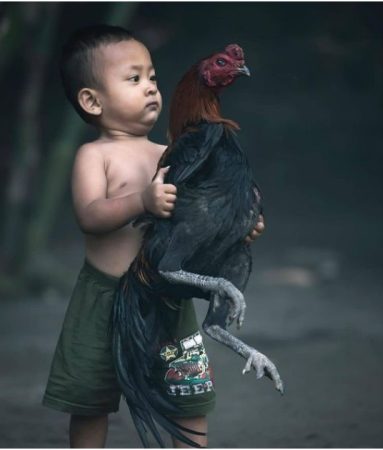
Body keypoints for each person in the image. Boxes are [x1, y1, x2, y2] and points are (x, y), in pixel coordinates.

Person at [42, 25, 265, 447]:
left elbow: (199, 219)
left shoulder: (171, 151)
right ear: (91, 100)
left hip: (168, 297)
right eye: (134, 79)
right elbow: (90, 216)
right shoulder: (95, 155)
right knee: (90, 398)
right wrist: (140, 201)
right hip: (104, 297)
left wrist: (241, 226)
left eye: (152, 79)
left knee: (190, 398)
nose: (149, 88)